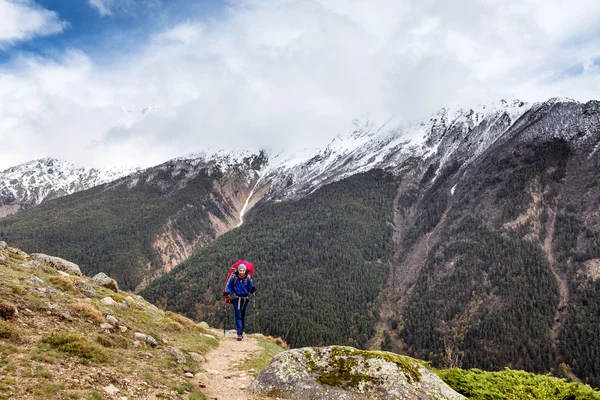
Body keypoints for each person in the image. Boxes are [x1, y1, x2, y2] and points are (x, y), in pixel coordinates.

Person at [224, 264, 256, 340]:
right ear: (238, 270)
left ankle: (241, 332)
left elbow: (250, 288)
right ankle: (239, 334)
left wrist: (252, 289)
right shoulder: (234, 278)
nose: (242, 272)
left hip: (245, 299)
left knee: (243, 315)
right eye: (240, 270)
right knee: (238, 315)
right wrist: (227, 292)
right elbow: (229, 286)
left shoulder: (248, 279)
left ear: (245, 271)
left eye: (243, 270)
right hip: (236, 298)